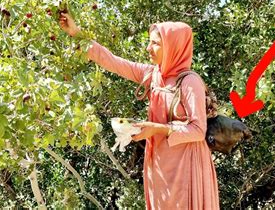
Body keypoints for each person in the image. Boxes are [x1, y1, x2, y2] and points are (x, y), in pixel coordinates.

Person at [58, 12, 219, 209]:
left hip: (186, 165)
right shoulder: (153, 74)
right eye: (149, 42)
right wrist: (76, 33)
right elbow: (113, 62)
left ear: (173, 47)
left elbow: (197, 130)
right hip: (160, 161)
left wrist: (156, 129)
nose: (148, 48)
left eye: (155, 43)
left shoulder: (189, 81)